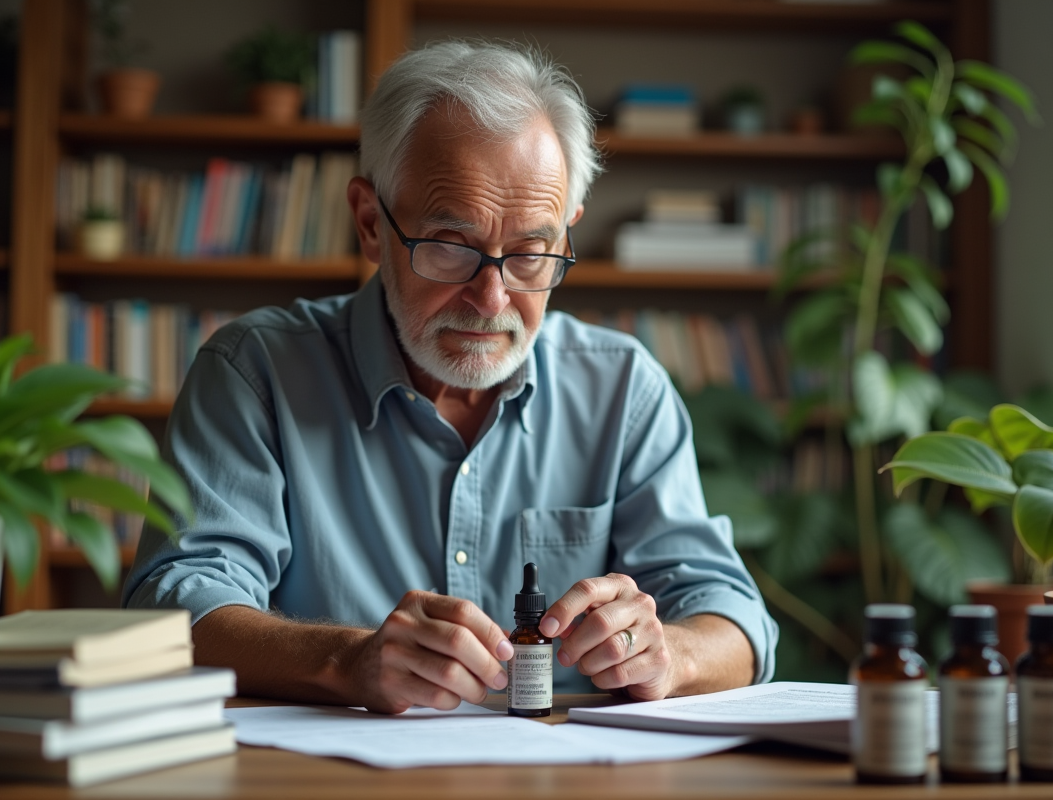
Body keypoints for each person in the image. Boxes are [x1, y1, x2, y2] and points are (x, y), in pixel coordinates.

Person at [123, 41, 778, 714]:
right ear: (372, 224)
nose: (491, 299)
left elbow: (733, 618)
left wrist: (673, 652)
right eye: (450, 247)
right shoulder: (253, 374)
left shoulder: (623, 391)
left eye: (530, 254)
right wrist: (344, 660)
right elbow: (175, 608)